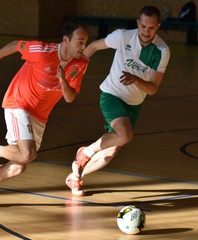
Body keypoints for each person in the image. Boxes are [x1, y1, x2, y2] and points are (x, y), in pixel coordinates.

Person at [0, 20, 89, 210]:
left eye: (85, 42)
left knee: (19, 166)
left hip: (39, 116)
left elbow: (69, 98)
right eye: (80, 41)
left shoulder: (81, 63)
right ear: (66, 40)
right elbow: (16, 45)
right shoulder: (43, 51)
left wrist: (62, 81)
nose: (83, 47)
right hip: (18, 102)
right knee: (28, 154)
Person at [65, 6, 170, 196]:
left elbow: (153, 88)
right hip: (111, 94)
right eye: (143, 26)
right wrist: (76, 70)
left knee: (109, 154)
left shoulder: (162, 51)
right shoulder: (123, 36)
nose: (146, 32)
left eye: (151, 28)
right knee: (125, 135)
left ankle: (76, 176)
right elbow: (94, 46)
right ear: (138, 23)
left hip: (133, 104)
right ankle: (86, 153)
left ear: (158, 27)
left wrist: (136, 79)